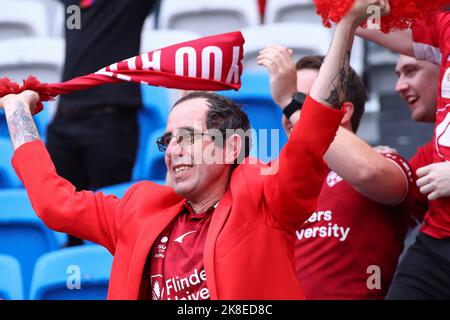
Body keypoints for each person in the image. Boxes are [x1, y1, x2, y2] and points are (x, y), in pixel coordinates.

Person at [0, 0, 390, 300]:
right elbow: (55, 203)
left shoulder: (266, 196)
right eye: (168, 140)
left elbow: (313, 131)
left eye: (187, 137)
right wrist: (18, 114)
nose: (172, 152)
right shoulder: (139, 206)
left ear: (231, 146)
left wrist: (345, 24)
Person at [258, 47, 420, 299]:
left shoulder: (385, 160)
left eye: (305, 102)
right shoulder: (272, 176)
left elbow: (367, 172)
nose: (291, 115)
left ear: (343, 111)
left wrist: (291, 102)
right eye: (290, 105)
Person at [48, 0, 158, 246]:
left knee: (112, 228)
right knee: (66, 227)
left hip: (111, 123)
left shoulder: (127, 6)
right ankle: (72, 283)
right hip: (64, 121)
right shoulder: (72, 4)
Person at [357, 8, 450, 299]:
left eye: (411, 70)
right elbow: (355, 15)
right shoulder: (445, 27)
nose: (399, 86)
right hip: (437, 242)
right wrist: (385, 164)